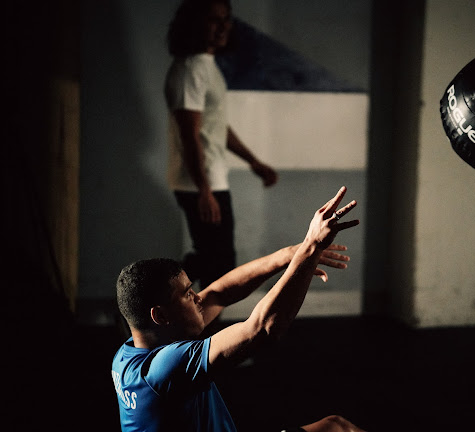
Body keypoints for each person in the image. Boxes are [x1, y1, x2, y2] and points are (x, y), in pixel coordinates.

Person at [112, 187, 366, 432]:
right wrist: (311, 247)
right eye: (187, 294)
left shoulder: (131, 351)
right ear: (160, 315)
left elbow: (219, 293)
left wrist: (289, 254)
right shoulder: (165, 368)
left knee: (336, 426)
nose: (197, 298)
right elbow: (262, 328)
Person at [164, 0, 278, 289]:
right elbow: (190, 134)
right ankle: (150, 301)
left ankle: (155, 302)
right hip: (199, 183)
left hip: (208, 180)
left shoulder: (206, 66)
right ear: (194, 23)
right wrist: (204, 190)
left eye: (226, 19)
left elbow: (216, 127)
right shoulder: (190, 68)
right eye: (214, 20)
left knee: (217, 261)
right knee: (218, 263)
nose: (223, 27)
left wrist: (253, 161)